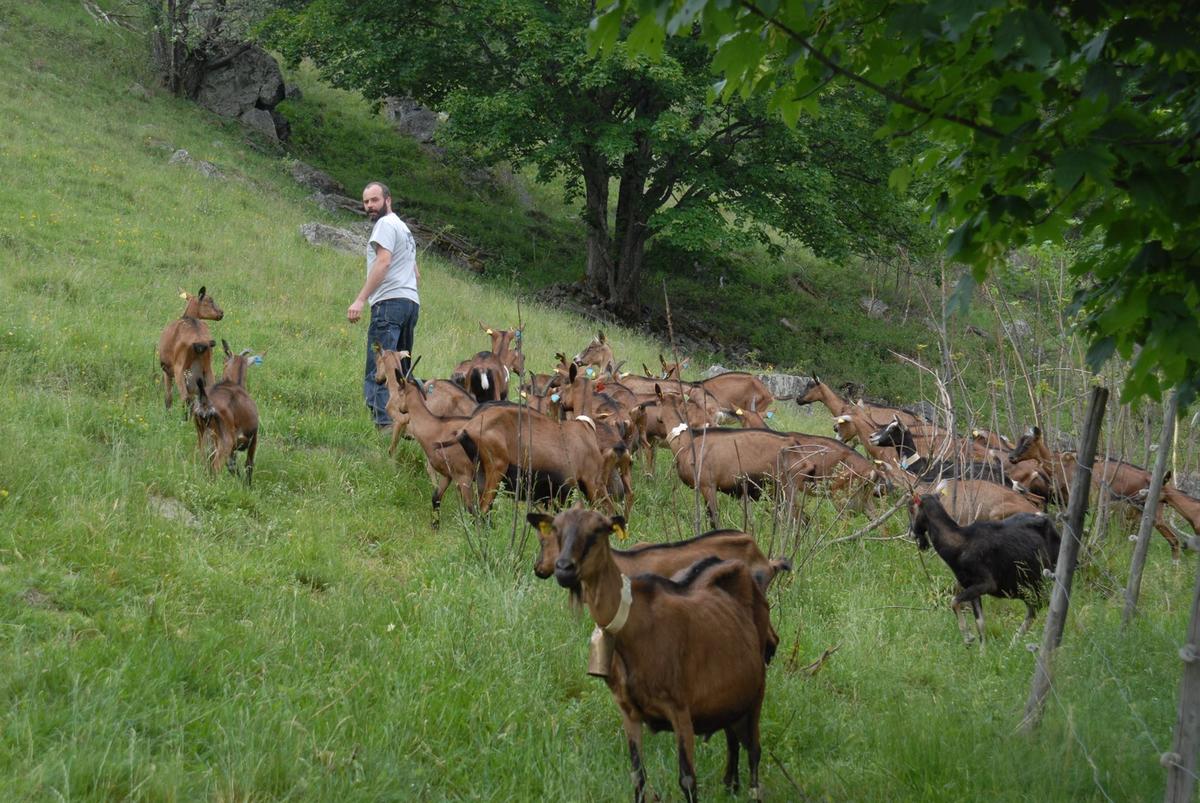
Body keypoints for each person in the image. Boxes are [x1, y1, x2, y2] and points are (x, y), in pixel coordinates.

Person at [348, 181, 419, 428]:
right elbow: (415, 272)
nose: (369, 206)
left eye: (374, 200)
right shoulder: (404, 228)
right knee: (402, 369)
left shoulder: (385, 225)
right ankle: (409, 420)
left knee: (380, 369)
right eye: (366, 201)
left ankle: (384, 425)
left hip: (389, 305)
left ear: (388, 199)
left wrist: (360, 299)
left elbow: (384, 262)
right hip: (409, 304)